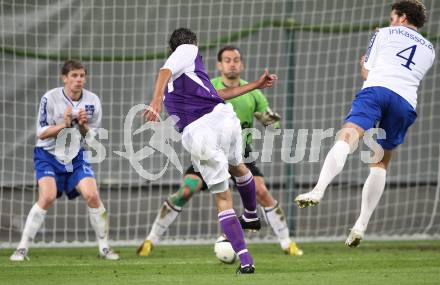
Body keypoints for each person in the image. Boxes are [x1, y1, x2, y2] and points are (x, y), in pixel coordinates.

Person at [138, 45, 302, 257]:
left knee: (261, 191)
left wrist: (269, 121)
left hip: (239, 150)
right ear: (219, 65)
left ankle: (287, 242)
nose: (232, 64)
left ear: (241, 64)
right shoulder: (207, 84)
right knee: (187, 190)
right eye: (227, 60)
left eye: (236, 60)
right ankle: (151, 239)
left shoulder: (254, 93)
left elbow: (273, 125)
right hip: (208, 147)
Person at [295, 0, 434, 247]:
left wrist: (363, 65)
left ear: (402, 17)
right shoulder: (430, 49)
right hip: (405, 102)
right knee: (379, 161)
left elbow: (368, 72)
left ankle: (318, 189)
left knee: (348, 136)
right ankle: (361, 224)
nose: (391, 21)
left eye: (393, 17)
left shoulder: (382, 33)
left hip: (377, 91)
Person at [10, 60, 119, 261]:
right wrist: (64, 124)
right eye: (74, 76)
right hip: (48, 156)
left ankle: (104, 248)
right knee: (48, 197)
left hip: (76, 156)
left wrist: (84, 126)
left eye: (82, 76)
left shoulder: (92, 101)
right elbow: (41, 133)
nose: (79, 80)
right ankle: (22, 248)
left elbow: (93, 138)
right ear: (65, 78)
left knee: (92, 195)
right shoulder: (50, 98)